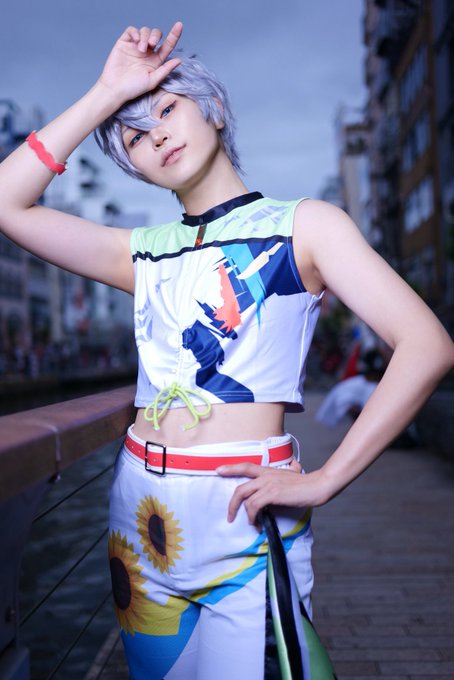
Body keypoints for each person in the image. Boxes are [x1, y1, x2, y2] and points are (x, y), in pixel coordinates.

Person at [0, 22, 452, 680]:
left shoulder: (305, 226)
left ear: (212, 107)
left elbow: (427, 344)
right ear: (132, 165)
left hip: (246, 515)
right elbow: (8, 202)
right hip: (139, 514)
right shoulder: (141, 252)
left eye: (167, 109)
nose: (156, 135)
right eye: (133, 137)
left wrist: (327, 478)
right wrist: (107, 92)